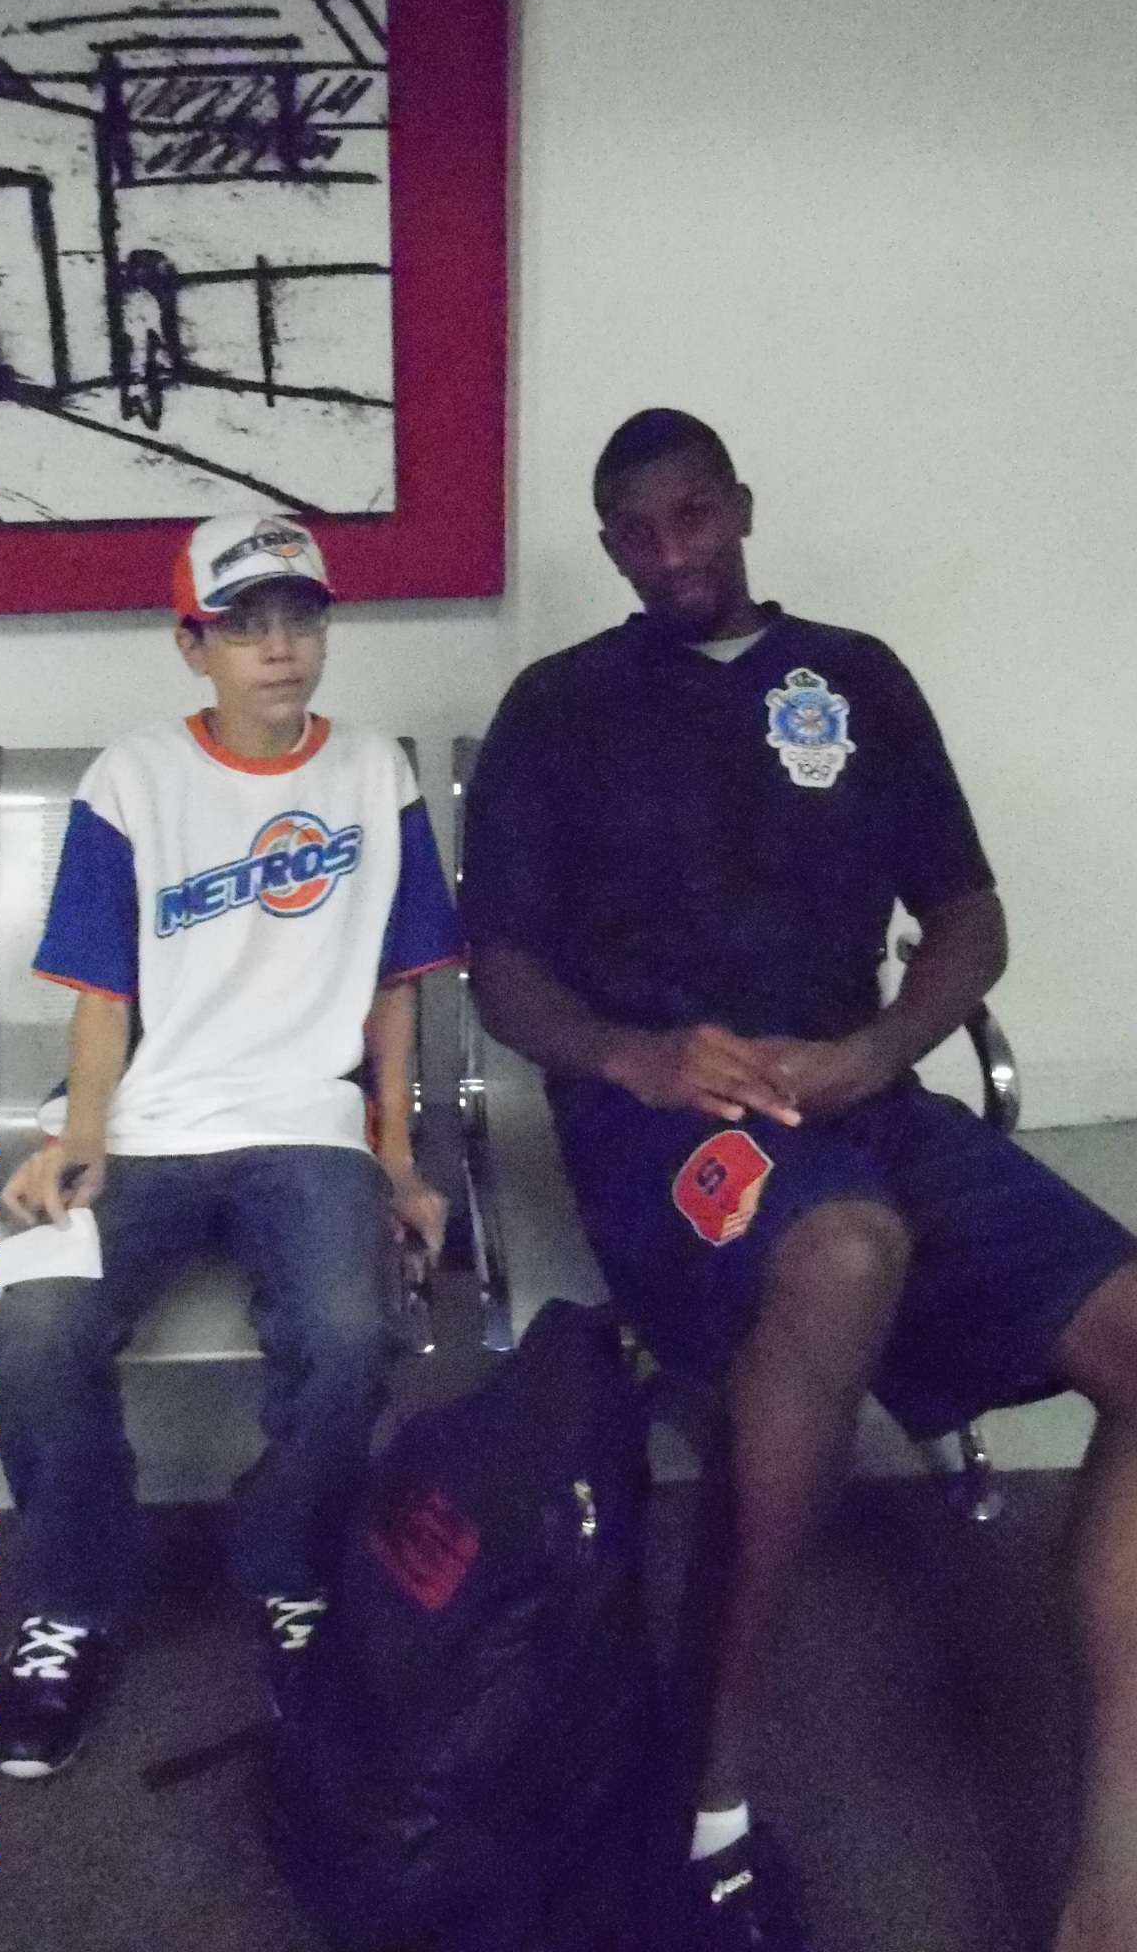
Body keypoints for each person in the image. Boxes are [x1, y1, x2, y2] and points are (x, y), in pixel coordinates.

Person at [459, 408, 1137, 1952]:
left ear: (742, 506)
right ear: (612, 546)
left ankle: (1112, 1882)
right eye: (639, 533)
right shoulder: (558, 708)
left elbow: (969, 917)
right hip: (667, 1123)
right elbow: (502, 971)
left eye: (695, 515)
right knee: (843, 1253)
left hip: (862, 1091)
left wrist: (880, 1049)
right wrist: (638, 1058)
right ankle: (703, 1810)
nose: (672, 554)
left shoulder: (859, 679)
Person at [0, 512, 461, 1780]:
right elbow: (103, 997)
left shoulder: (374, 774)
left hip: (308, 1121)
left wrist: (398, 1158)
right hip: (148, 1120)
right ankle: (73, 1603)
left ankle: (288, 1567)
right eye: (245, 626)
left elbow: (396, 990)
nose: (280, 648)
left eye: (300, 619)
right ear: (191, 646)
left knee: (350, 1334)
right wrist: (82, 1136)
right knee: (31, 1323)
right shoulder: (133, 781)